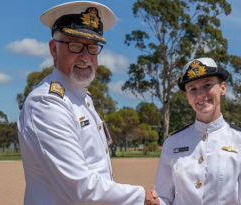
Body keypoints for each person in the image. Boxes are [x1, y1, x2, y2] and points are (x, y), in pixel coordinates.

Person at [17, 1, 159, 205]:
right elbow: (82, 189)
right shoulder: (46, 103)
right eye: (75, 45)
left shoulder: (81, 98)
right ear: (54, 50)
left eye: (92, 47)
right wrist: (140, 197)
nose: (85, 57)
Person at [154, 57, 241, 205]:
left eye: (207, 85)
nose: (200, 94)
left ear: (222, 88)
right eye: (193, 89)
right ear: (187, 97)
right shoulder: (172, 143)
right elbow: (164, 198)